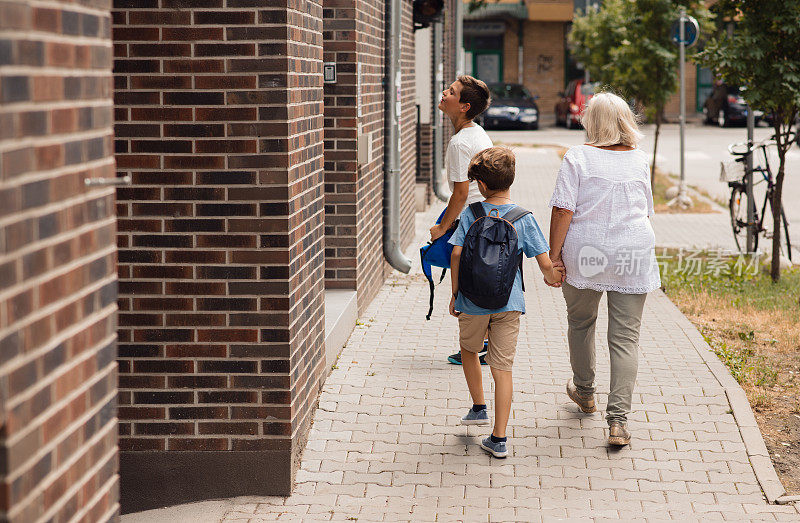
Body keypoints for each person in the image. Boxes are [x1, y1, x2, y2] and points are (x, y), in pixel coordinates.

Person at [546, 92, 661, 447]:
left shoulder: (578, 157)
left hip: (587, 253)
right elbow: (646, 210)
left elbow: (563, 210)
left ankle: (584, 392)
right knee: (625, 338)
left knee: (581, 323)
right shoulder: (640, 159)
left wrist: (553, 257)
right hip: (633, 252)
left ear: (590, 121)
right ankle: (618, 422)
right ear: (626, 121)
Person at [449, 147, 564, 458]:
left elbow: (457, 254)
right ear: (511, 180)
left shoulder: (470, 214)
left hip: (471, 301)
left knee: (469, 351)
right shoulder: (523, 218)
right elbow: (544, 263)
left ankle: (478, 407)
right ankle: (498, 438)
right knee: (503, 368)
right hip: (509, 303)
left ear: (482, 185)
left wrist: (455, 293)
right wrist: (555, 276)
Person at [432, 75, 493, 366]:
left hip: (472, 219)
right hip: (488, 216)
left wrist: (442, 227)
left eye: (452, 92)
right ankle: (483, 343)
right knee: (479, 279)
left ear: (464, 106)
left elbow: (460, 193)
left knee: (466, 280)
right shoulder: (478, 133)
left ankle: (476, 347)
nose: (445, 93)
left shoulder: (460, 143)